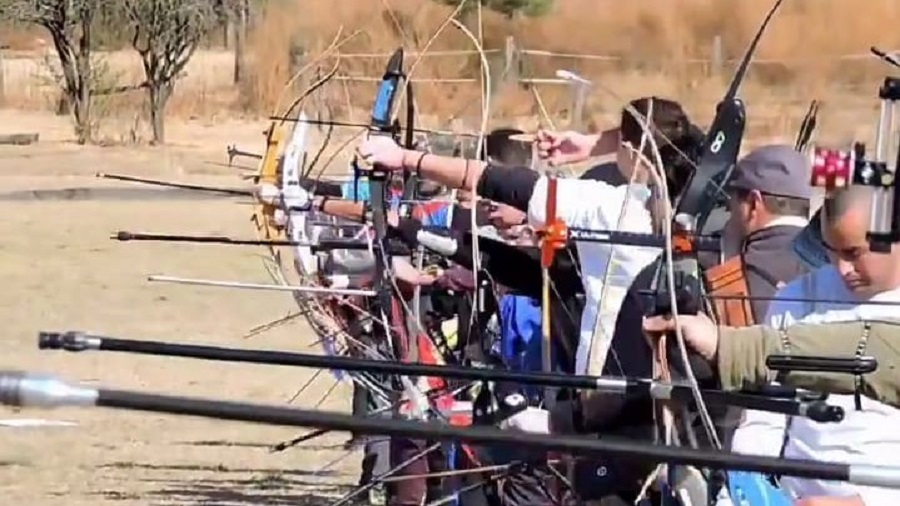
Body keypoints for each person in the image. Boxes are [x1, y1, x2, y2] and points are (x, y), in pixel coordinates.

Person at [355, 97, 704, 378]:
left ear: (630, 147)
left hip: (610, 387)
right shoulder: (689, 207)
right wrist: (591, 145)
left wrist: (403, 157)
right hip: (655, 381)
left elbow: (503, 183)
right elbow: (680, 141)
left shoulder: (614, 207)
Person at [718, 185, 900, 506]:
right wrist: (742, 487)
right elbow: (766, 415)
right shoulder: (797, 297)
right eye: (831, 251)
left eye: (854, 253)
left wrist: (867, 502)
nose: (842, 268)